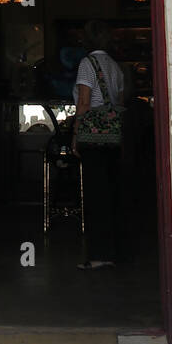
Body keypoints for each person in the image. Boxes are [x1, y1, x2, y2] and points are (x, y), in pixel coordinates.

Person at [72, 21, 126, 270]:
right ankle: (114, 251)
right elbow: (118, 100)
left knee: (95, 196)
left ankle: (98, 255)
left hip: (93, 137)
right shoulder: (115, 67)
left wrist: (76, 134)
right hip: (113, 137)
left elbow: (84, 102)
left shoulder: (87, 64)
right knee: (112, 193)